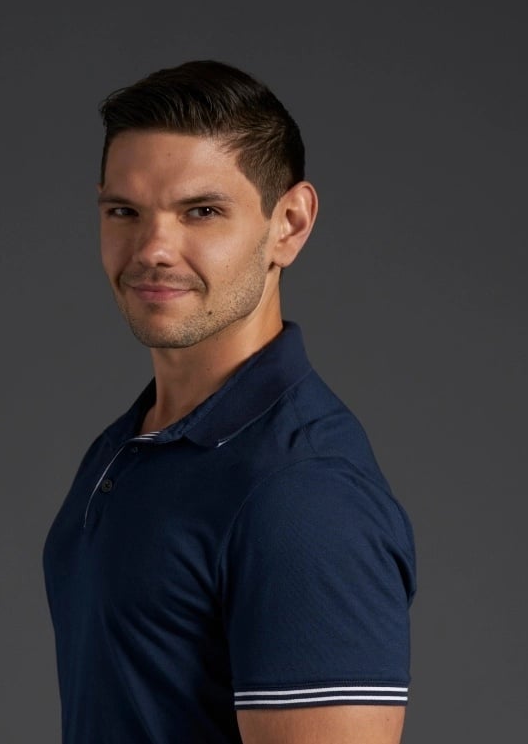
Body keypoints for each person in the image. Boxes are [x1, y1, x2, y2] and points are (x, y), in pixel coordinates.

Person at [42, 61, 416, 744]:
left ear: (290, 224)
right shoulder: (127, 445)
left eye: (202, 211)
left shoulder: (305, 497)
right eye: (124, 211)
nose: (153, 248)